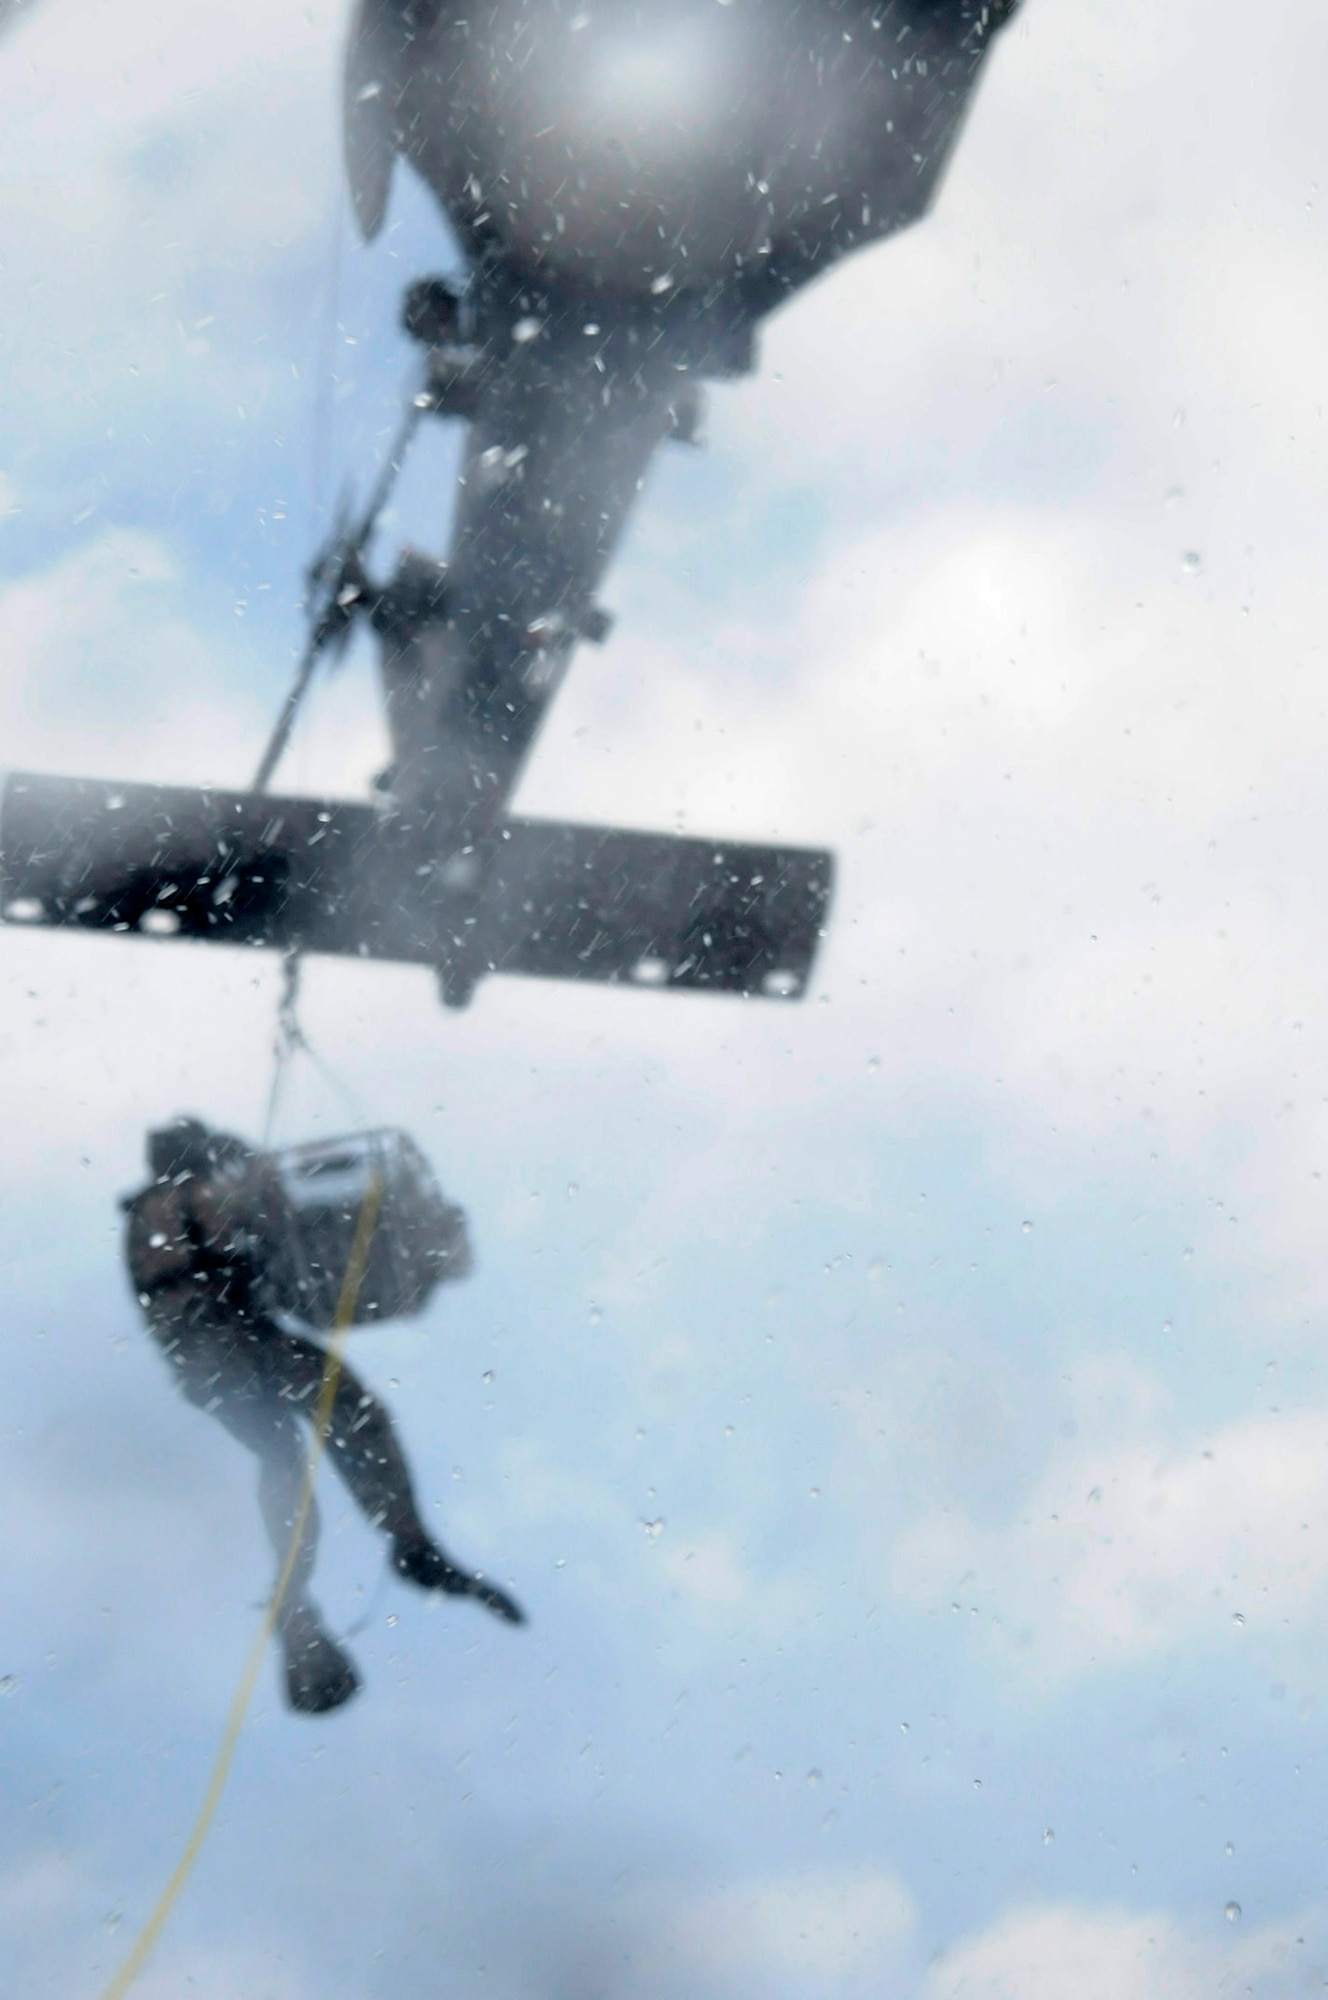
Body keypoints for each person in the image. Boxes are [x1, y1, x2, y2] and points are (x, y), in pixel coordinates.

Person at [123, 1117, 523, 1715]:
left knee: (306, 1437)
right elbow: (255, 1206)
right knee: (316, 1432)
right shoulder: (176, 1200)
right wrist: (249, 1166)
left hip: (224, 1351)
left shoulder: (161, 1208)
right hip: (226, 1350)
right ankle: (379, 1559)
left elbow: (240, 1233)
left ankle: (358, 1571)